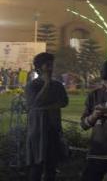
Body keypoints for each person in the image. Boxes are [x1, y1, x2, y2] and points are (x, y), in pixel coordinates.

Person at [25, 52, 69, 181]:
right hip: (37, 131)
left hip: (53, 130)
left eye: (51, 65)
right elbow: (35, 103)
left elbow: (64, 102)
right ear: (39, 68)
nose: (51, 68)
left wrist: (45, 107)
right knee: (36, 167)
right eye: (47, 65)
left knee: (51, 167)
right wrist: (47, 84)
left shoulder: (58, 85)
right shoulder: (32, 85)